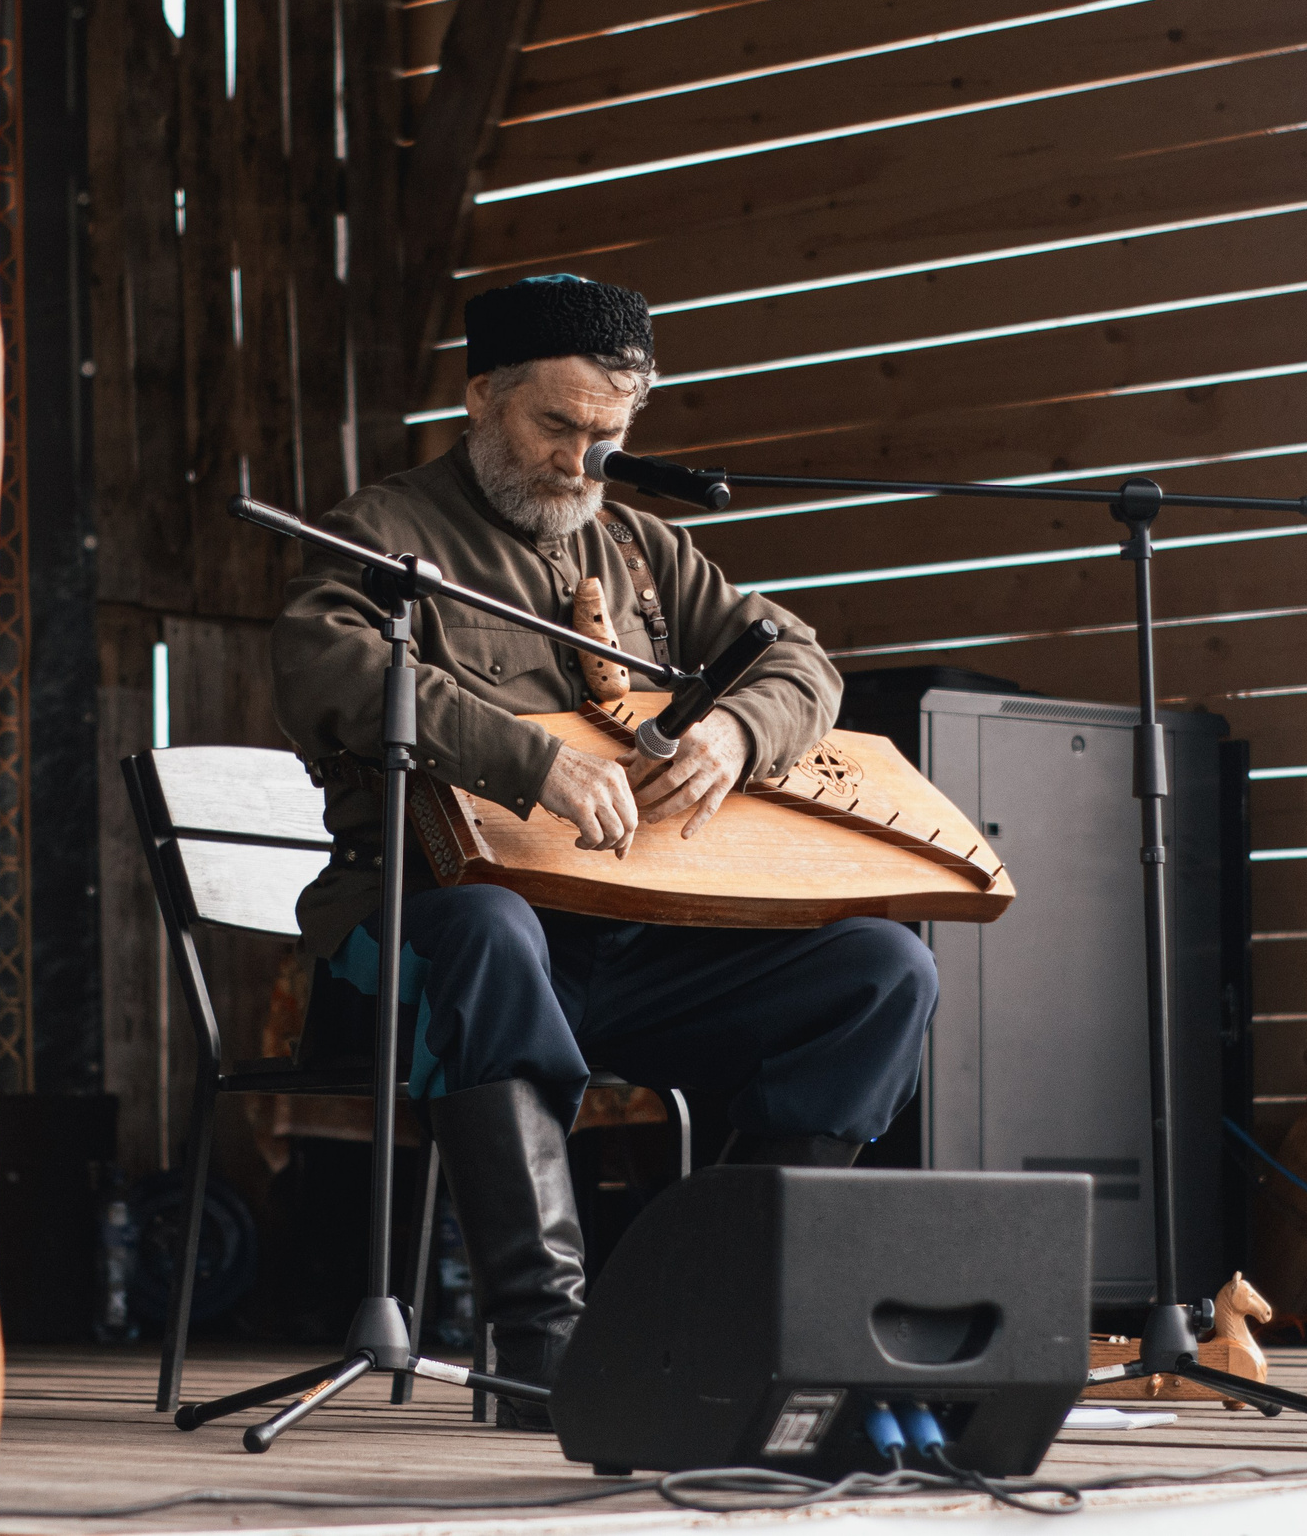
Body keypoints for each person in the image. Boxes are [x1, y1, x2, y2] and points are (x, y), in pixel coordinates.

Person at [270, 274, 938, 1427]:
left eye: (609, 436)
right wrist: (529, 762)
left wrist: (736, 729)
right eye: (556, 427)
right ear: (481, 396)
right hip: (427, 941)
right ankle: (548, 1346)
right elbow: (325, 669)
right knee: (489, 929)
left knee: (881, 973)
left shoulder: (642, 547)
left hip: (625, 943)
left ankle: (723, 1318)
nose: (581, 462)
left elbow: (805, 665)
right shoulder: (385, 532)